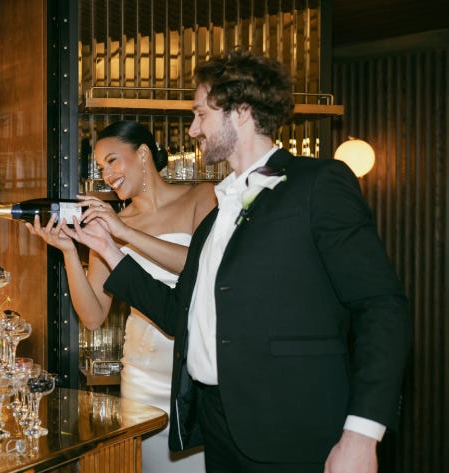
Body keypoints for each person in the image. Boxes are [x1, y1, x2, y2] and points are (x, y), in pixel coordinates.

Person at [67, 50, 411, 473]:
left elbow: (381, 306)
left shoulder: (318, 184)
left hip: (290, 430)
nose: (193, 129)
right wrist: (109, 248)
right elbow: (181, 314)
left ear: (240, 112)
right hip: (217, 428)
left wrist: (362, 432)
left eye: (200, 114)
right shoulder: (216, 213)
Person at [26, 120, 216, 473]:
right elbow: (94, 315)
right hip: (142, 378)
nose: (107, 174)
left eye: (113, 160)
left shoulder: (200, 196)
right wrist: (69, 251)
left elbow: (203, 267)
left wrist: (124, 234)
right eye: (100, 167)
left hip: (195, 372)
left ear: (143, 153)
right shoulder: (110, 221)